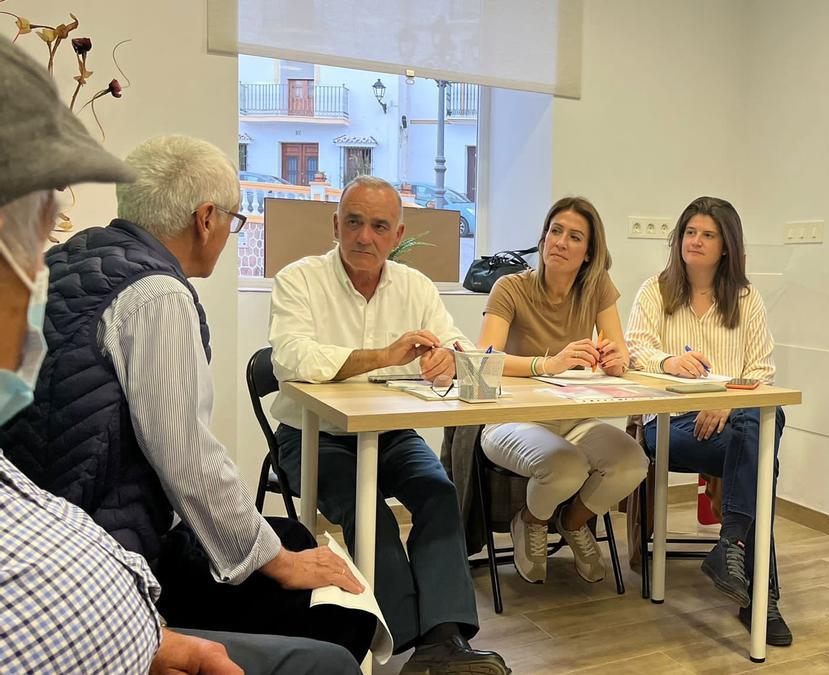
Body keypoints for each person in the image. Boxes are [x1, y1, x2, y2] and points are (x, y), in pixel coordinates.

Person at [0, 37, 360, 674]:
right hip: (105, 551)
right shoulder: (156, 295)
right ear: (205, 219)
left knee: (291, 540)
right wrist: (276, 561)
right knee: (325, 599)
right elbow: (187, 458)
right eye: (234, 220)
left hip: (57, 519)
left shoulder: (72, 257)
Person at [269, 175, 509, 674]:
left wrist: (449, 355)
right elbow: (291, 358)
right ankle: (404, 642)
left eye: (379, 226)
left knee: (438, 493)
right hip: (313, 436)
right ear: (335, 225)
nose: (364, 237)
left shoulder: (415, 287)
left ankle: (443, 640)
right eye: (354, 222)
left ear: (397, 235)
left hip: (391, 435)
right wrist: (385, 355)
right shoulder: (300, 279)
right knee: (367, 508)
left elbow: (461, 344)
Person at [625, 196, 790, 646]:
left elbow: (762, 371)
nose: (695, 241)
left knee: (760, 421)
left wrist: (729, 402)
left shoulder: (745, 297)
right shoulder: (654, 291)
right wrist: (668, 362)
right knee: (762, 448)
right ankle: (761, 596)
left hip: (733, 424)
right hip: (671, 426)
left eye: (708, 235)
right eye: (689, 232)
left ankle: (732, 547)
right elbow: (633, 355)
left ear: (726, 246)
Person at [477, 196, 647, 585]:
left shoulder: (598, 287)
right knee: (565, 464)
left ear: (588, 253)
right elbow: (483, 361)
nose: (560, 242)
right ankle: (531, 520)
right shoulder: (510, 287)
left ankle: (573, 523)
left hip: (573, 417)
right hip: (509, 420)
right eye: (555, 231)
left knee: (632, 462)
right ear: (542, 238)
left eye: (574, 237)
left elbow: (618, 352)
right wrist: (546, 364)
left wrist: (615, 360)